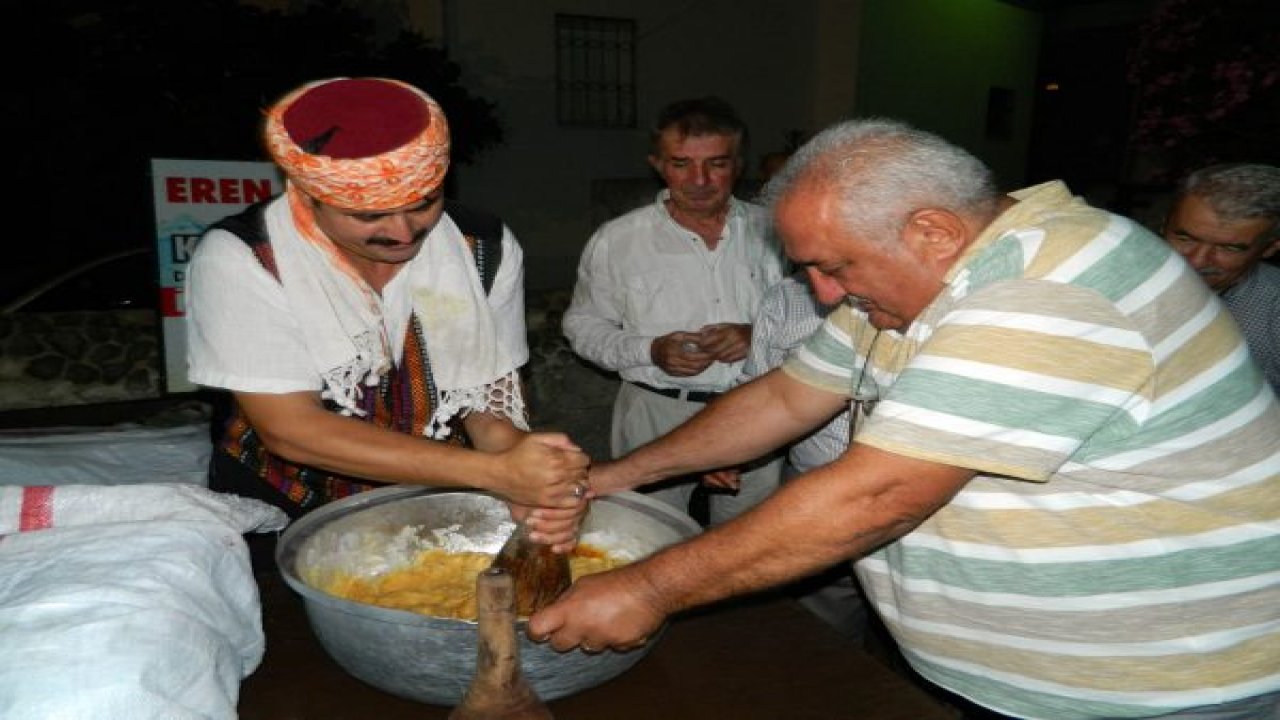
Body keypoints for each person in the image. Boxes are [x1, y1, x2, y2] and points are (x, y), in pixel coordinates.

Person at [530, 119, 1280, 719]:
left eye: (834, 267)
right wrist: (612, 478)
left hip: (1158, 685)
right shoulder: (928, 277)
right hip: (1039, 678)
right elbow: (787, 396)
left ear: (931, 231)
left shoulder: (1044, 295)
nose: (821, 294)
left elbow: (875, 497)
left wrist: (647, 589)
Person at [185, 77, 589, 544]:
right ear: (304, 195)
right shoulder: (244, 256)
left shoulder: (483, 247)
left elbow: (486, 404)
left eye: (423, 204)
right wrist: (496, 472)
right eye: (369, 215)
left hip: (432, 501)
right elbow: (290, 429)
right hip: (280, 507)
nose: (403, 233)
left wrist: (528, 469)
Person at [561, 96, 786, 525]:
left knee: (748, 541)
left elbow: (817, 317)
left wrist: (759, 336)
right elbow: (583, 324)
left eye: (716, 163)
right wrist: (650, 350)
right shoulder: (619, 239)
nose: (699, 180)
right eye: (681, 163)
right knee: (646, 535)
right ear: (658, 164)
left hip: (754, 406)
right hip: (655, 410)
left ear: (738, 164)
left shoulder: (776, 230)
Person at [737, 270, 869, 645]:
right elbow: (762, 390)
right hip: (812, 482)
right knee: (821, 615)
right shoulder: (785, 297)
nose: (825, 291)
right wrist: (733, 453)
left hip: (914, 487)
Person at [1162, 162, 1280, 394]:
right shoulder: (1103, 275)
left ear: (1270, 248)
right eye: (1185, 238)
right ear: (1164, 223)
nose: (1197, 260)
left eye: (1229, 248)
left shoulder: (1273, 313)